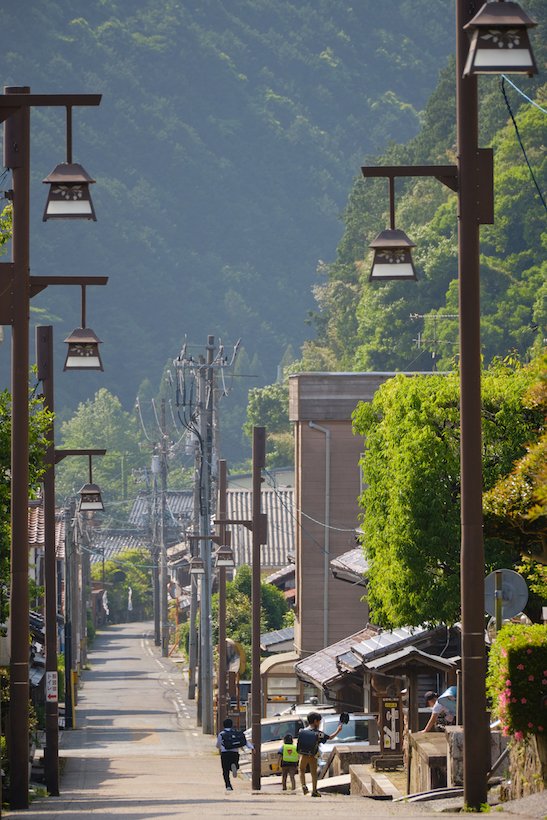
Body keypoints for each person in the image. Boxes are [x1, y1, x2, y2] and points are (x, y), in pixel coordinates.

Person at [297, 711, 344, 797]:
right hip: (313, 754)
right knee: (314, 773)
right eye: (319, 721)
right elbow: (330, 737)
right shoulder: (318, 733)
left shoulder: (303, 731)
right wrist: (338, 730)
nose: (319, 723)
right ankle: (314, 791)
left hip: (303, 754)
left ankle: (303, 786)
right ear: (315, 721)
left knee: (302, 770)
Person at [215, 717, 254, 791]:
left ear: (224, 725)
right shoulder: (236, 733)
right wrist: (251, 748)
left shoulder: (221, 734)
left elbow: (218, 745)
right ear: (231, 725)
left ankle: (228, 786)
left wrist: (220, 747)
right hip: (235, 753)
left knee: (225, 771)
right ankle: (234, 767)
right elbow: (245, 741)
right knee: (235, 763)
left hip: (225, 753)